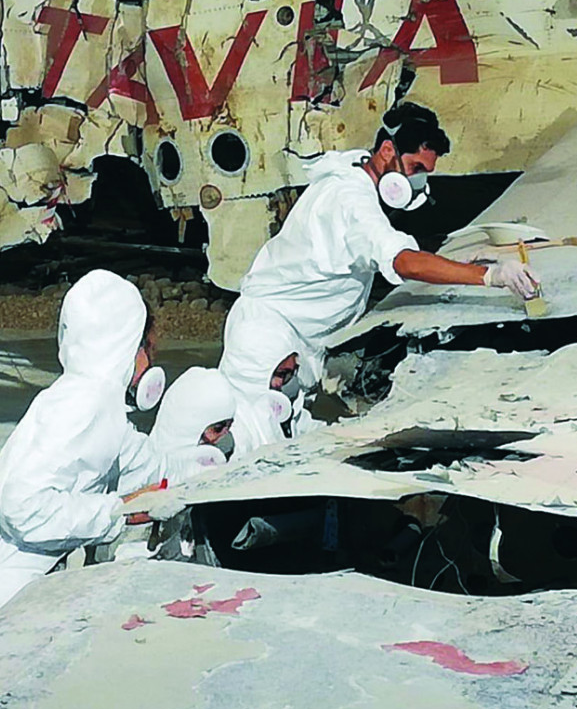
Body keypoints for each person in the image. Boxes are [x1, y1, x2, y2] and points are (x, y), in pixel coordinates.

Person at [0, 269, 172, 655]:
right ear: (129, 347)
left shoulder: (78, 398)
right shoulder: (89, 405)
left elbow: (149, 466)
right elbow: (23, 507)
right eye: (148, 348)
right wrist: (118, 512)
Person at [231, 102, 538, 383]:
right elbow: (403, 261)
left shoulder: (355, 173)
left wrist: (456, 261)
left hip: (298, 339)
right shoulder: (351, 200)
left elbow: (390, 248)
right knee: (251, 433)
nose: (419, 182)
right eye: (416, 168)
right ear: (388, 150)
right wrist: (491, 277)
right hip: (268, 342)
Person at [220, 298, 314, 455]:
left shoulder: (283, 410)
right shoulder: (230, 431)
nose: (280, 383)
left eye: (290, 374)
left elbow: (306, 428)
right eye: (279, 374)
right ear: (251, 370)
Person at [148, 366, 236, 484]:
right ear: (191, 428)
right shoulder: (140, 471)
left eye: (229, 427)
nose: (224, 435)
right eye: (218, 429)